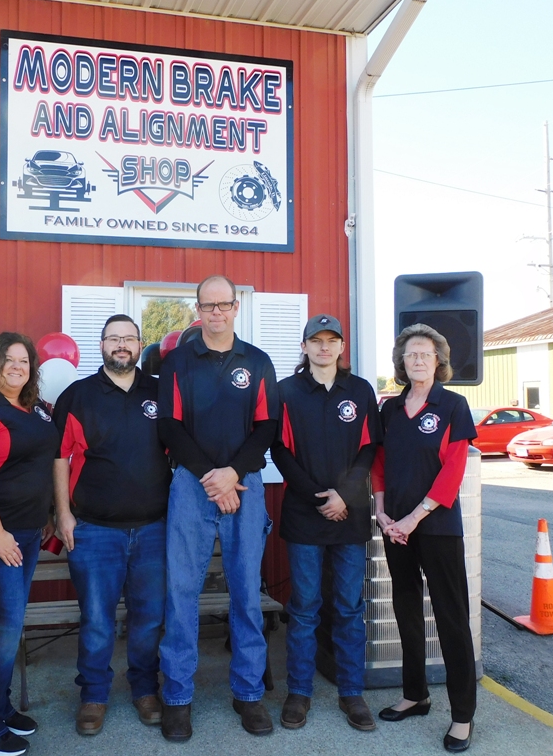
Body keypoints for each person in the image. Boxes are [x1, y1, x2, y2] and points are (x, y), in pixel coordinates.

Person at [156, 275, 280, 740]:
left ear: (235, 307)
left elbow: (267, 426)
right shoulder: (177, 362)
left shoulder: (258, 361)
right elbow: (169, 426)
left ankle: (248, 693)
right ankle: (177, 697)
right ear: (198, 309)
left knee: (246, 592)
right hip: (192, 484)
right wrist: (212, 475)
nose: (216, 313)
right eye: (207, 306)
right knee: (181, 592)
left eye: (223, 305)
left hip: (244, 484)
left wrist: (233, 473)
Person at [52, 314, 171, 735]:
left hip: (154, 528)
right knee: (97, 619)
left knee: (149, 618)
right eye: (113, 338)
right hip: (95, 529)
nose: (122, 345)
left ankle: (145, 688)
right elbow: (59, 458)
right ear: (101, 344)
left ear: (139, 345)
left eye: (129, 338)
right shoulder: (78, 396)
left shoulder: (160, 392)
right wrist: (63, 513)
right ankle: (94, 694)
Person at [270, 314, 381, 732]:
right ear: (304, 347)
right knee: (303, 609)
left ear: (341, 347)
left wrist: (343, 496)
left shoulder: (360, 390)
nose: (323, 347)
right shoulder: (286, 392)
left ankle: (352, 693)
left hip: (349, 516)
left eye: (331, 340)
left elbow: (369, 449)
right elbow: (280, 452)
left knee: (349, 608)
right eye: (315, 340)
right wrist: (319, 497)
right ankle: (299, 693)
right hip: (305, 516)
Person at [372, 323, 479, 753]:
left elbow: (453, 470)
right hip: (396, 528)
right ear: (401, 362)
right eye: (411, 354)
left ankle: (462, 716)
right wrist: (382, 513)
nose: (417, 360)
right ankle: (415, 695)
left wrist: (415, 517)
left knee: (451, 618)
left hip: (435, 526)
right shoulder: (389, 409)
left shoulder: (453, 406)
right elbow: (379, 464)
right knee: (406, 611)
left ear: (439, 362)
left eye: (425, 354)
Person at [0, 333, 60, 756]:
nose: (18, 367)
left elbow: (39, 464)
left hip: (29, 531)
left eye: (24, 361)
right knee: (4, 627)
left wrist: (47, 514)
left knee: (10, 625)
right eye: (9, 359)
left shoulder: (33, 408)